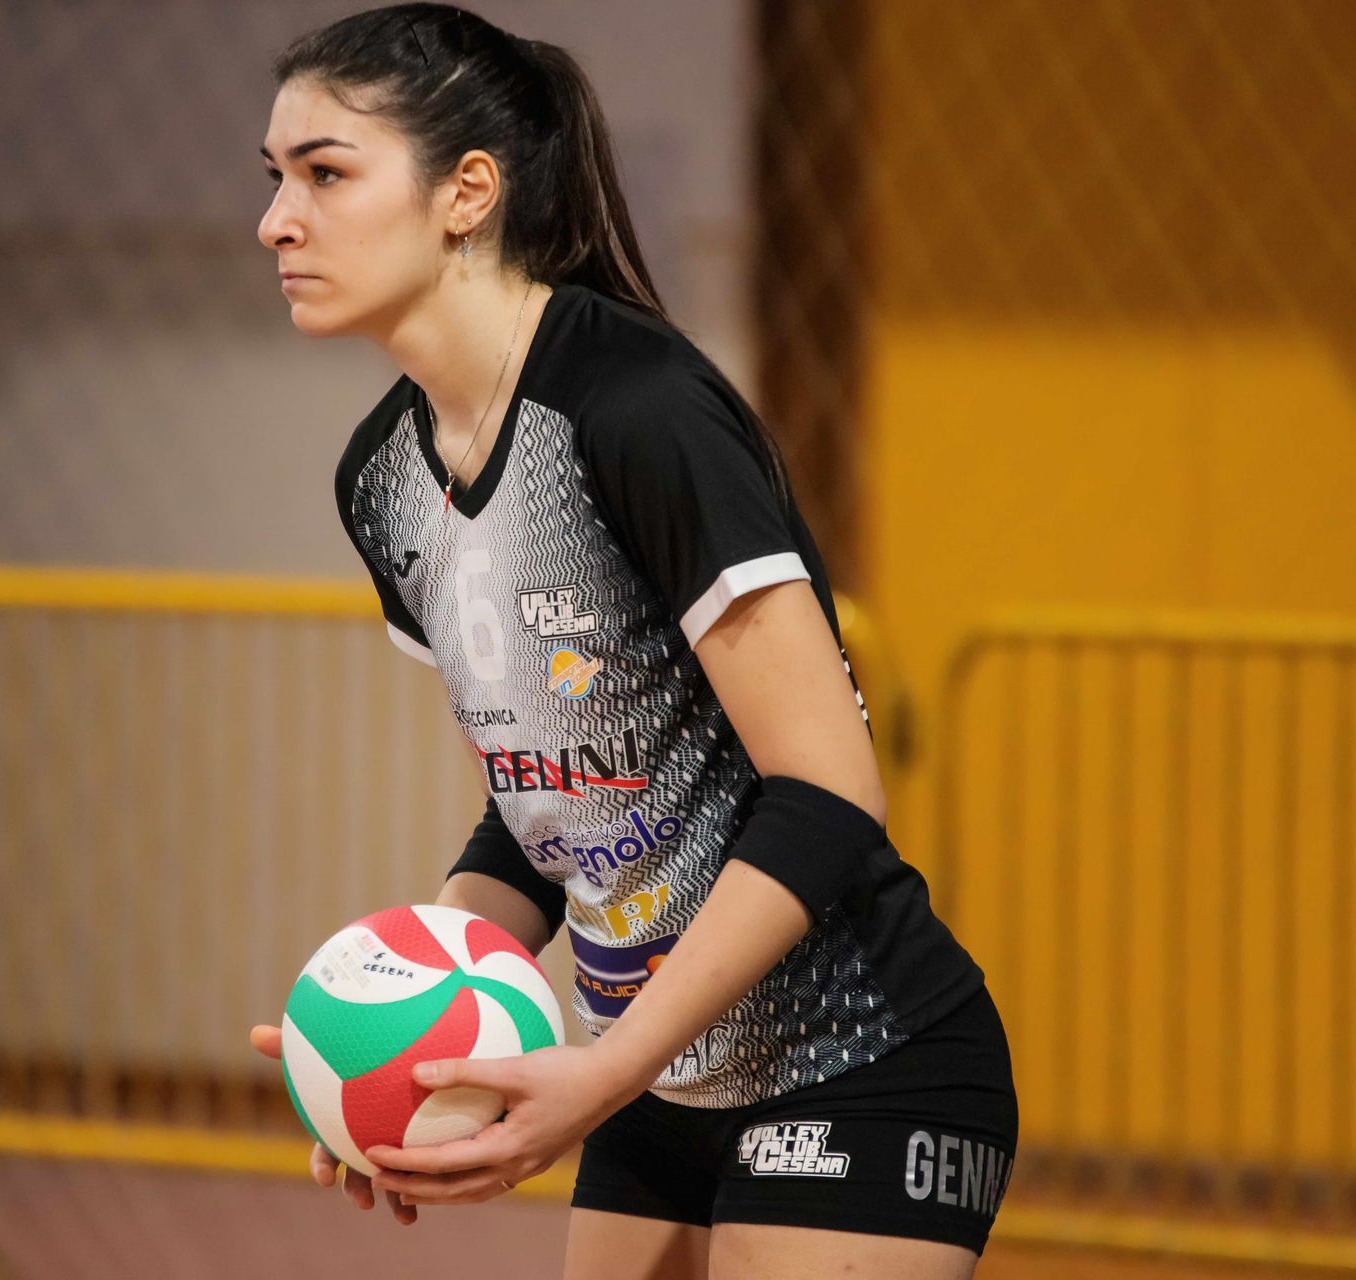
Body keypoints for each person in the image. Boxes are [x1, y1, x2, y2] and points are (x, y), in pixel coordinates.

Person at [245, 7, 1016, 1278]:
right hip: (655, 1077)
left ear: (467, 194)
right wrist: (397, 1041)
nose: (278, 220)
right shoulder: (382, 479)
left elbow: (829, 793)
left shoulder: (640, 410)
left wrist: (602, 1070)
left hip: (861, 1056)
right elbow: (546, 808)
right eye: (275, 177)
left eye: (325, 173)